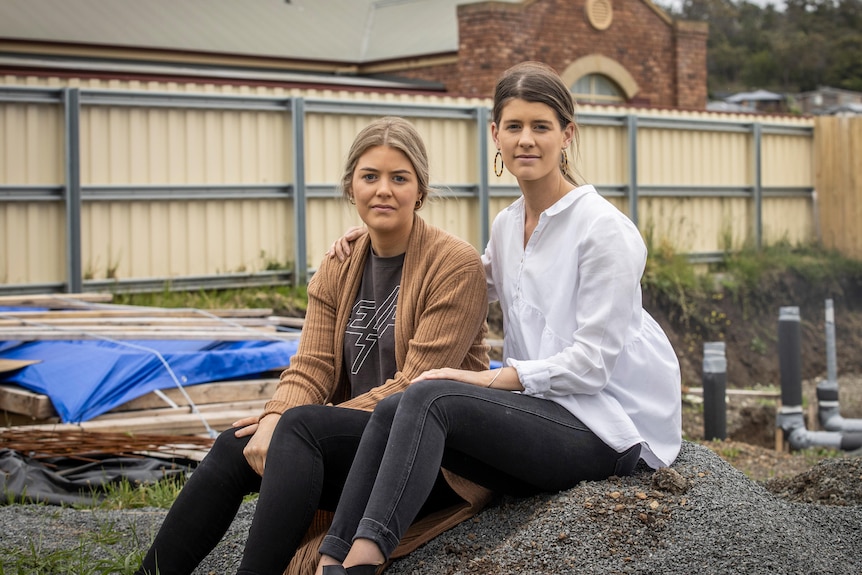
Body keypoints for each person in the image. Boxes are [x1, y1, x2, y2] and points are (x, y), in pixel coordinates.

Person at [316, 61, 682, 575]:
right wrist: (375, 241)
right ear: (495, 135)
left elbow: (592, 365)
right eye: (514, 127)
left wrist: (487, 379)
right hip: (542, 413)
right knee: (396, 403)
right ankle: (332, 557)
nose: (526, 140)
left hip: (611, 427)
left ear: (567, 135)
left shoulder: (604, 231)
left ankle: (362, 560)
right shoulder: (509, 226)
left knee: (429, 394)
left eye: (541, 126)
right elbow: (457, 281)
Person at [134, 116, 491, 575]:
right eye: (370, 176)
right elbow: (312, 366)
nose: (384, 189)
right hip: (357, 444)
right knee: (235, 445)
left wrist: (287, 424)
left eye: (399, 178)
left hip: (430, 460)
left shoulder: (453, 265)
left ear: (419, 191)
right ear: (350, 188)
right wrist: (273, 418)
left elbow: (415, 387)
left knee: (298, 431)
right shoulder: (338, 266)